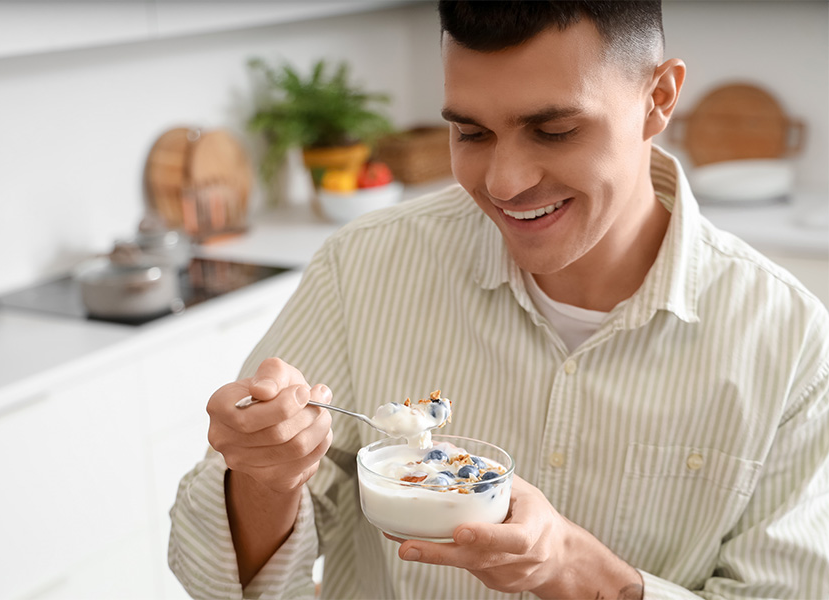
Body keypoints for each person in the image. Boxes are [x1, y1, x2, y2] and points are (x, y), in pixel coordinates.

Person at [168, 2, 829, 598]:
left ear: (659, 98)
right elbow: (212, 577)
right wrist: (264, 476)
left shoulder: (793, 341)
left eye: (555, 131)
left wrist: (573, 569)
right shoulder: (363, 266)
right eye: (472, 134)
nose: (505, 183)